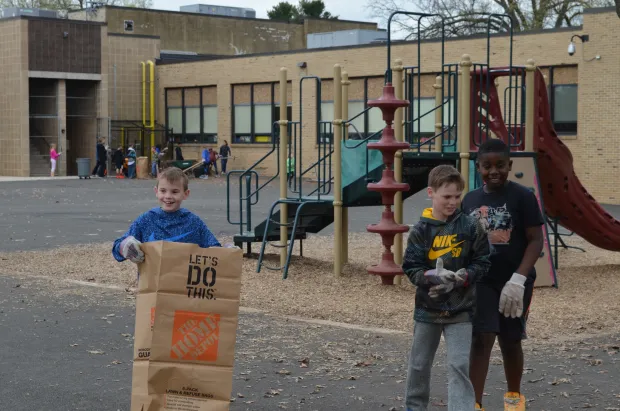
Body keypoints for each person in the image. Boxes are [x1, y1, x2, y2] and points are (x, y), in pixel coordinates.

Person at [461, 139, 544, 411]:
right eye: (487, 166)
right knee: (481, 338)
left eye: (500, 165)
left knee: (510, 339)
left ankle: (513, 399)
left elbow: (535, 240)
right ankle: (474, 403)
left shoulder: (523, 196)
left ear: (510, 165)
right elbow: (464, 242)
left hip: (516, 282)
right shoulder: (470, 200)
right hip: (483, 280)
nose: (493, 171)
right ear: (478, 167)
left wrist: (519, 278)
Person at [402, 164, 490, 411]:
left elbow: (483, 262)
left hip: (461, 310)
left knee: (459, 366)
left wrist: (464, 276)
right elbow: (410, 267)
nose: (453, 202)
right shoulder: (421, 230)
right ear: (431, 193)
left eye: (457, 196)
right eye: (447, 196)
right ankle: (414, 407)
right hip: (427, 310)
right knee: (419, 365)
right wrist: (432, 277)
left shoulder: (471, 227)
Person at [112, 167, 221, 265]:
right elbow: (117, 250)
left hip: (184, 285)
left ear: (185, 194)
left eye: (174, 192)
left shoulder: (194, 223)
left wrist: (228, 250)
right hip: (152, 285)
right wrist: (124, 246)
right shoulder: (146, 220)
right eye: (163, 191)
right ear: (156, 191)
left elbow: (215, 248)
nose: (168, 196)